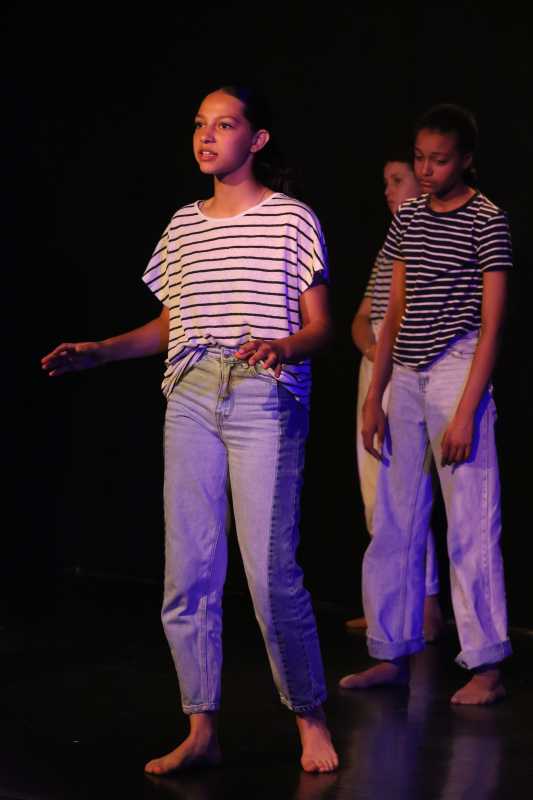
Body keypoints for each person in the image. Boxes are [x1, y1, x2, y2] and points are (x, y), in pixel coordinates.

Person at [42, 85, 339, 773]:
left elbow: (320, 325)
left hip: (263, 393)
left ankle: (310, 717)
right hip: (191, 395)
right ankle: (201, 727)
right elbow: (169, 325)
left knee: (270, 574)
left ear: (256, 139)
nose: (207, 136)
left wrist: (282, 346)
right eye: (201, 125)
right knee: (190, 572)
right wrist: (101, 351)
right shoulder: (183, 225)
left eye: (224, 124)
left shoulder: (291, 218)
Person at [339, 104, 512, 705]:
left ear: (465, 159)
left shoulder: (487, 220)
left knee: (470, 521)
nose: (427, 170)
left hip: (458, 367)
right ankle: (390, 651)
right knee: (393, 518)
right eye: (420, 159)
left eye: (439, 160)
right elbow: (392, 312)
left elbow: (492, 326)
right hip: (406, 375)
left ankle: (486, 665)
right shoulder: (410, 217)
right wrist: (376, 396)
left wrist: (466, 411)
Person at [347, 156, 444, 641]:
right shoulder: (391, 244)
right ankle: (388, 606)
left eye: (397, 180)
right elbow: (363, 315)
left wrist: (389, 357)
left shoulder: (433, 236)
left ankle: (425, 607)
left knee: (407, 493)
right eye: (385, 181)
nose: (388, 190)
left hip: (409, 368)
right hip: (377, 368)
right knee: (375, 495)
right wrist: (372, 351)